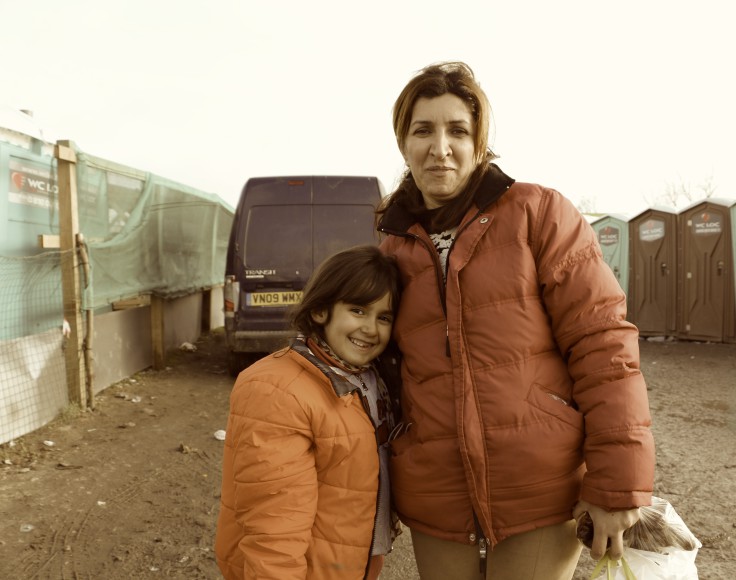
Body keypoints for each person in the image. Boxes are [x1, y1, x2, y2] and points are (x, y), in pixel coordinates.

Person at [376, 61, 656, 580]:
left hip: (541, 487)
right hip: (437, 495)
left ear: (479, 142)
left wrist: (617, 484)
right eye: (423, 130)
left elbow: (603, 346)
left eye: (458, 130)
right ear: (403, 143)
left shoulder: (539, 214)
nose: (441, 147)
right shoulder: (389, 247)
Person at [215, 245, 402, 580]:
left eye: (383, 317)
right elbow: (274, 528)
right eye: (358, 311)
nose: (372, 329)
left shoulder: (369, 381)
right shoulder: (277, 389)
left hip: (348, 563)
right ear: (319, 311)